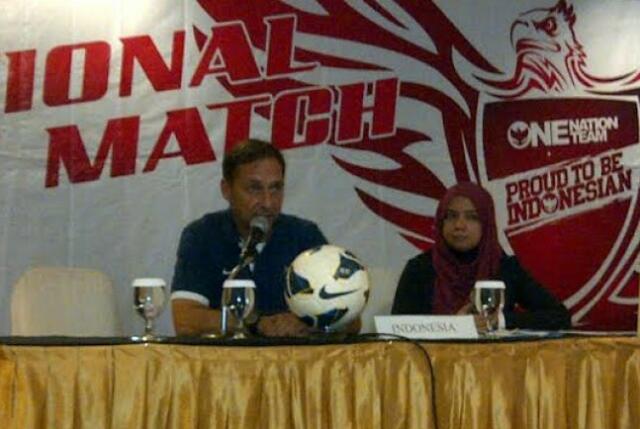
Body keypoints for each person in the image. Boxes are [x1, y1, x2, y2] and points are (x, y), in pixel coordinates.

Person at [171, 139, 332, 337]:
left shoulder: (304, 236)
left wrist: (307, 323)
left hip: (291, 356)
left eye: (275, 188)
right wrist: (254, 323)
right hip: (226, 357)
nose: (267, 202)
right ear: (226, 189)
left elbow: (350, 320)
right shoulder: (202, 235)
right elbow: (185, 320)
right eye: (255, 188)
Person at [391, 182, 571, 331]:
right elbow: (397, 331)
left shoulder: (505, 268)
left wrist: (498, 321)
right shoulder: (420, 269)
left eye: (471, 217)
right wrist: (455, 326)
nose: (459, 225)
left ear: (486, 223)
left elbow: (559, 317)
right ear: (440, 222)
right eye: (451, 216)